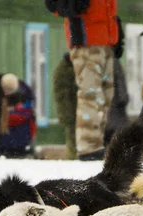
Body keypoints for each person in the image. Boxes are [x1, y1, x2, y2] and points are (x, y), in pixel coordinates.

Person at [46, 0, 119, 161]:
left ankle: (97, 141)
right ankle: (88, 145)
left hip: (106, 39)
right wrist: (72, 5)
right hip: (86, 39)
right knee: (90, 93)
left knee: (106, 95)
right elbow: (55, 6)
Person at [53, 53, 78, 159]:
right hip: (71, 112)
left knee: (73, 137)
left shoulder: (63, 69)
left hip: (72, 111)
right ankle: (74, 158)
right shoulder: (65, 71)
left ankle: (74, 156)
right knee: (73, 137)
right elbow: (63, 96)